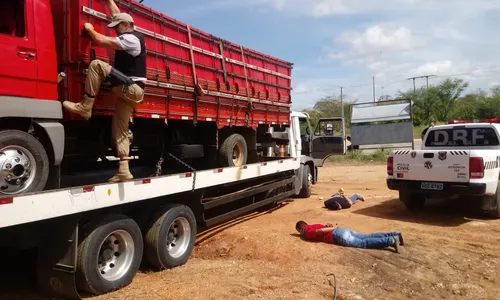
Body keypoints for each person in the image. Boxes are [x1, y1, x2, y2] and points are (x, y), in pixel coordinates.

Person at [62, 0, 146, 183]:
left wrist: (89, 28)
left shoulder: (132, 38)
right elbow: (118, 15)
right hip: (130, 92)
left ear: (126, 25)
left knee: (97, 65)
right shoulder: (129, 30)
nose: (115, 29)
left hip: (131, 88)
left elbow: (100, 40)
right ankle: (124, 169)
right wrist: (109, 1)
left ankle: (86, 106)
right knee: (120, 128)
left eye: (118, 27)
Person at [295, 221, 403, 253]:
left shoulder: (308, 231)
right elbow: (325, 225)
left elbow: (321, 231)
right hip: (342, 230)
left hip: (337, 235)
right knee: (367, 236)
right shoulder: (312, 225)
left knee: (363, 243)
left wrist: (333, 228)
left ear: (301, 229)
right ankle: (394, 234)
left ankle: (391, 240)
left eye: (299, 232)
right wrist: (334, 227)